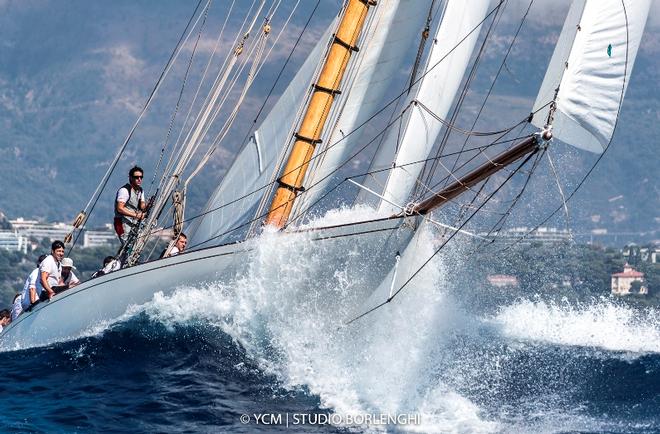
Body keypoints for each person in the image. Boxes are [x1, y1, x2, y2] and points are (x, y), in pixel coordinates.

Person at [114, 166, 147, 248]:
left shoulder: (140, 190)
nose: (139, 179)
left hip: (133, 223)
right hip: (122, 223)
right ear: (131, 178)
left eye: (141, 177)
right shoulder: (124, 191)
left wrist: (148, 205)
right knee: (128, 246)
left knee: (137, 245)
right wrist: (136, 215)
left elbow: (142, 205)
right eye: (136, 177)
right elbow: (120, 208)